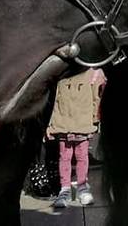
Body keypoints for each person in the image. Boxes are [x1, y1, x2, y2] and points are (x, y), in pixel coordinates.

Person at [46, 69, 104, 208]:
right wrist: (51, 125)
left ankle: (82, 187)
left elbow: (97, 98)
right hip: (63, 123)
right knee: (64, 157)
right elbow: (55, 101)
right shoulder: (61, 75)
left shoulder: (92, 73)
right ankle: (64, 189)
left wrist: (94, 120)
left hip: (82, 123)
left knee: (82, 156)